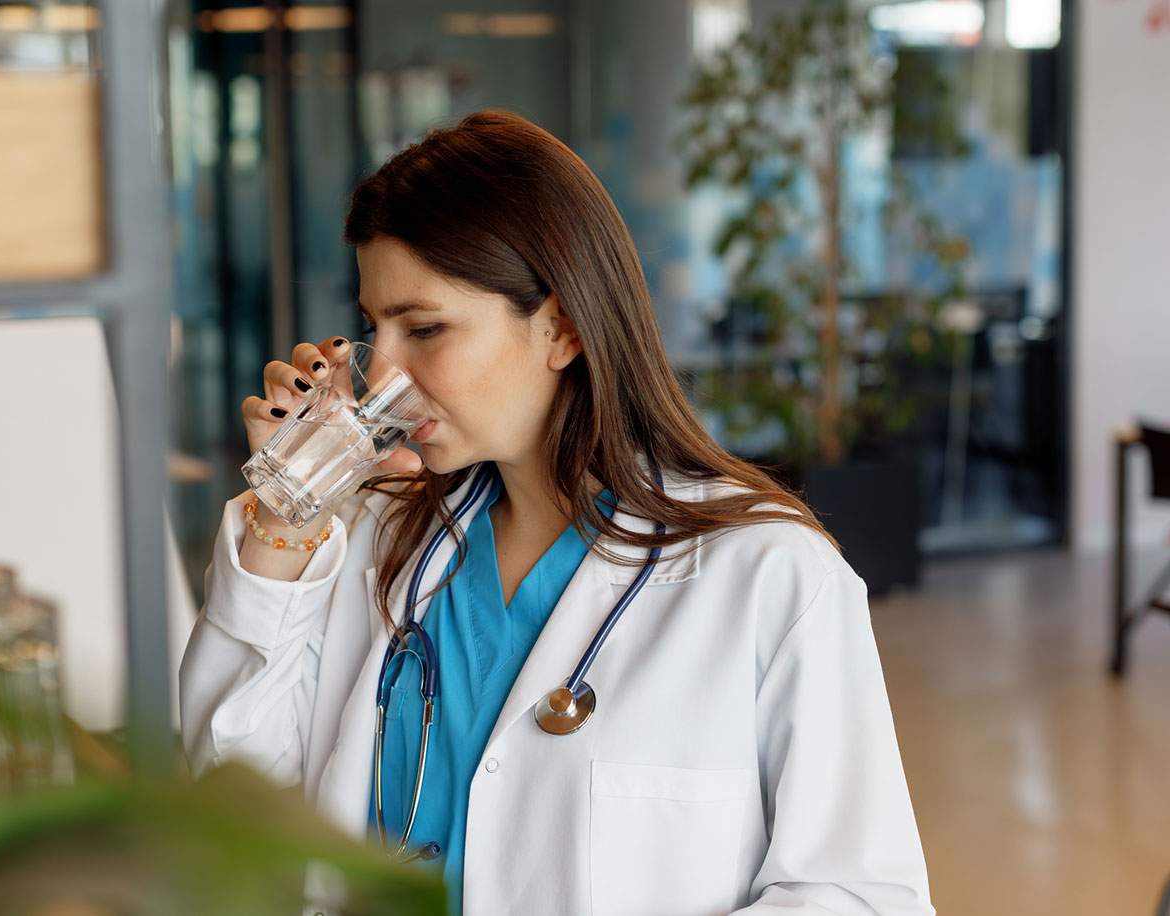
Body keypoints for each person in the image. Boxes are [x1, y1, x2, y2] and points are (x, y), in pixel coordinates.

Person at [180, 110, 934, 916]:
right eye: (373, 327)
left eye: (424, 327)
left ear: (563, 329)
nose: (380, 374)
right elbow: (235, 806)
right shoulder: (373, 539)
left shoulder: (770, 577)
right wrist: (289, 508)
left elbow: (858, 895)